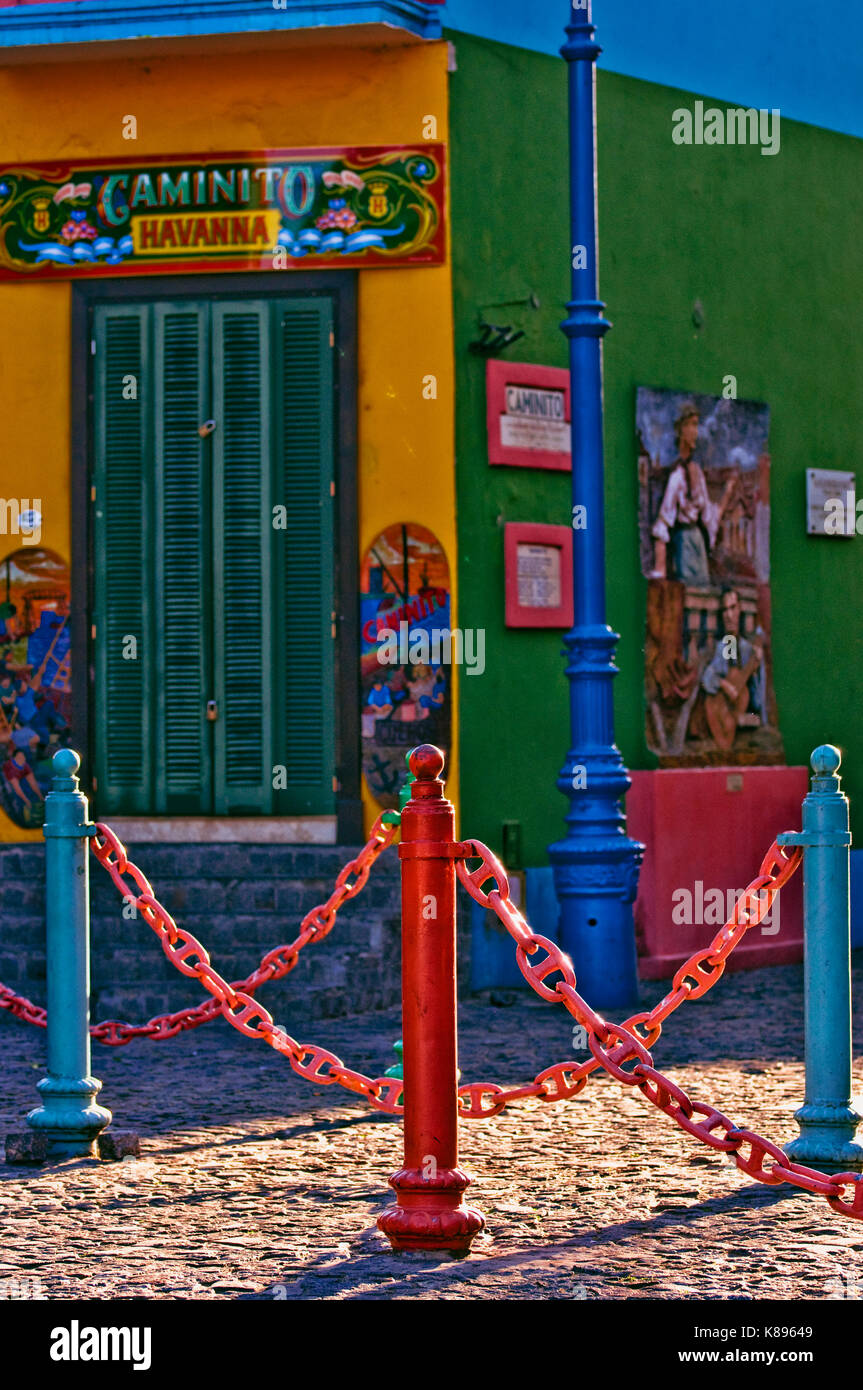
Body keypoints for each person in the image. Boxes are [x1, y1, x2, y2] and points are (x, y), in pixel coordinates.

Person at [650, 404, 736, 584]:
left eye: (696, 425)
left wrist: (727, 493)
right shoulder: (676, 475)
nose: (695, 431)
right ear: (680, 430)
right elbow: (663, 523)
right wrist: (660, 571)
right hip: (684, 544)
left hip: (697, 543)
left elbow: (709, 517)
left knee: (703, 588)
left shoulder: (696, 471)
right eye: (691, 425)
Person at [701, 587, 764, 752]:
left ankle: (725, 750)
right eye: (725, 610)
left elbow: (758, 699)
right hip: (721, 707)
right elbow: (709, 676)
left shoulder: (746, 648)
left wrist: (756, 669)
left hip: (738, 711)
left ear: (740, 610)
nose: (729, 615)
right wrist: (724, 685)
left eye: (733, 608)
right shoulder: (725, 644)